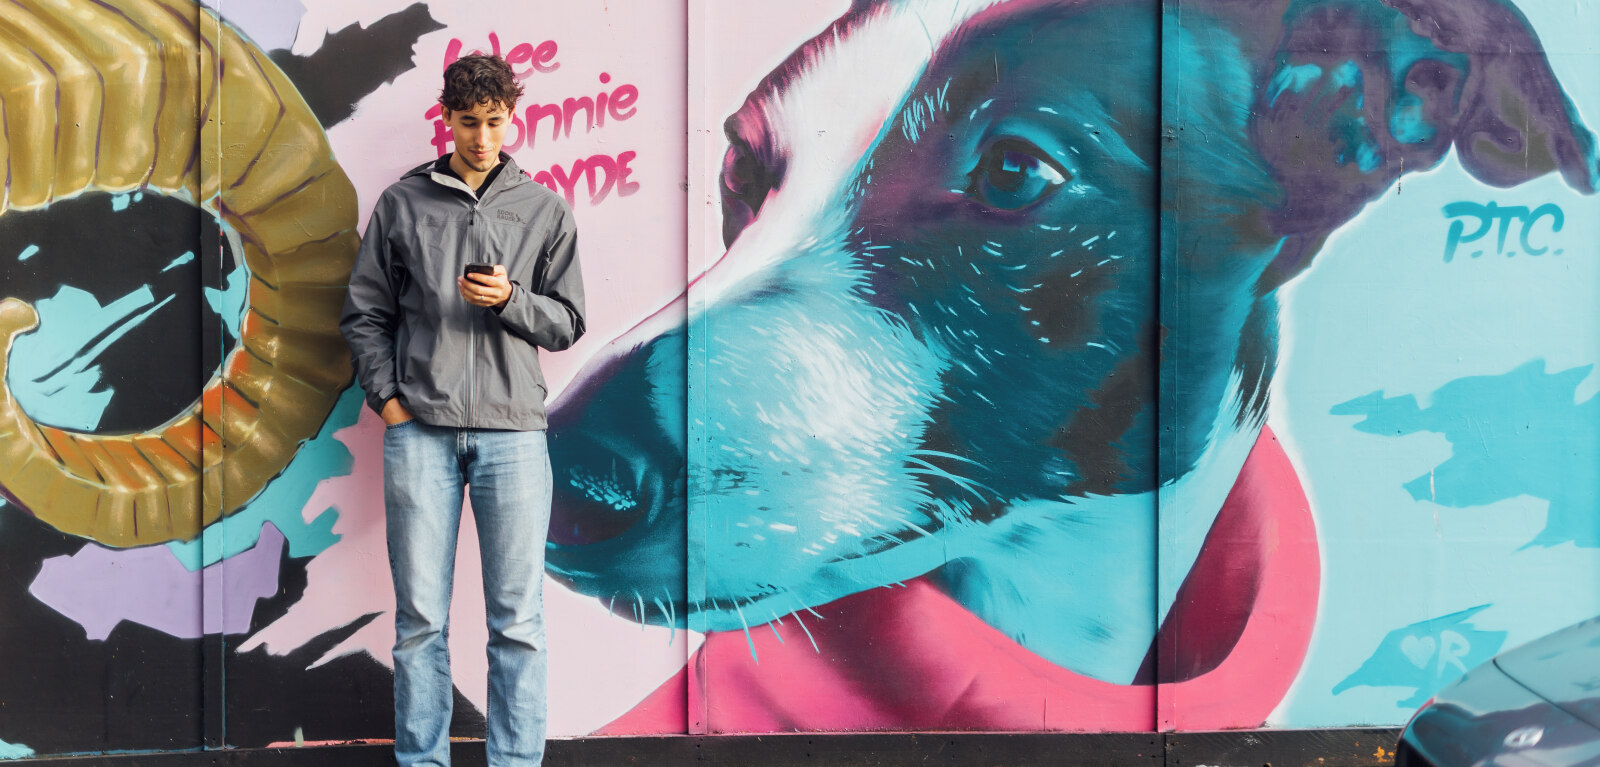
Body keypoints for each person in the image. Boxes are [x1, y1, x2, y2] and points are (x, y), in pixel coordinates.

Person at [339, 53, 585, 767]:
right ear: (445, 117)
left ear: (513, 118)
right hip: (420, 432)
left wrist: (511, 300)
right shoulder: (402, 204)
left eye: (496, 122)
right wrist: (389, 402)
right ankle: (423, 761)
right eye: (470, 122)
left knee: (518, 623)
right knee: (420, 622)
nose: (483, 138)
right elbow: (364, 313)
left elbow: (568, 322)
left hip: (514, 435)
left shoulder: (543, 208)